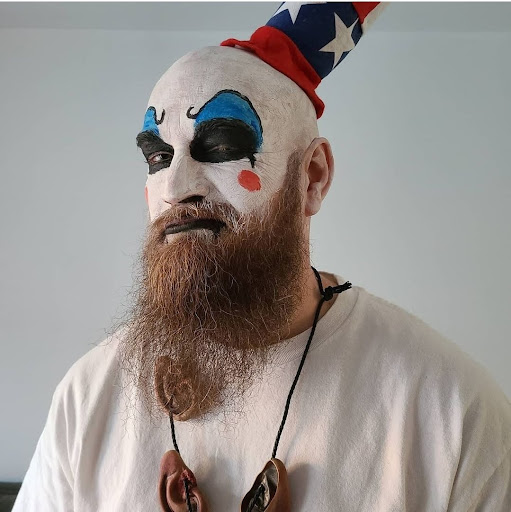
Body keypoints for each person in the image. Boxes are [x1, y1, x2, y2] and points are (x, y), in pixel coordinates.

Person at [13, 3, 511, 511]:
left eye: (220, 145)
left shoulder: (452, 411)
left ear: (312, 178)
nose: (175, 189)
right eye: (159, 157)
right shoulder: (87, 397)